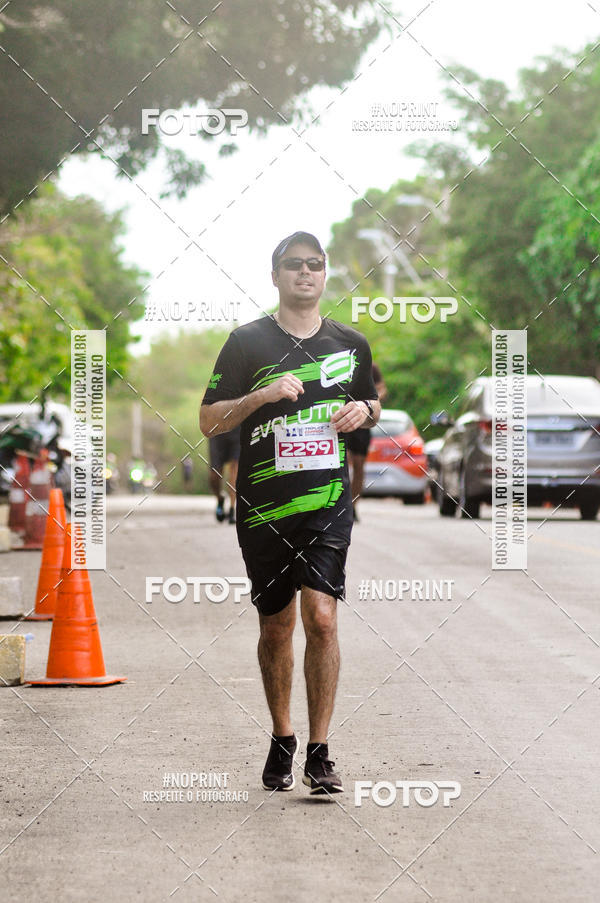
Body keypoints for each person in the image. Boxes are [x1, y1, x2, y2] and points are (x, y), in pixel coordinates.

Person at [200, 231, 380, 795]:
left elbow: (373, 402)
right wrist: (259, 396)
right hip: (262, 509)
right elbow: (209, 421)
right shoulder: (246, 343)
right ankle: (283, 736)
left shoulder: (350, 343)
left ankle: (321, 752)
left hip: (327, 505)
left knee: (322, 619)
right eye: (294, 265)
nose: (306, 272)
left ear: (325, 275)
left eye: (316, 264)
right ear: (275, 275)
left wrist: (363, 410)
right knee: (276, 626)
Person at [347, 363, 387, 521]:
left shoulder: (371, 367)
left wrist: (371, 402)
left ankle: (353, 506)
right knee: (343, 462)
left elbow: (382, 388)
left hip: (362, 421)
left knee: (359, 465)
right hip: (341, 416)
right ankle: (340, 506)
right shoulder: (336, 357)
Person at [208, 426, 240, 523]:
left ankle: (232, 509)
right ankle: (220, 499)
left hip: (237, 427)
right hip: (216, 428)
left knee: (235, 469)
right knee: (214, 476)